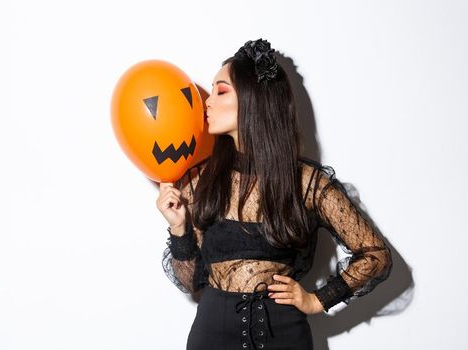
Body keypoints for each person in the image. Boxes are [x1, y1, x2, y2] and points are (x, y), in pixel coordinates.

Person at [157, 39, 392, 350]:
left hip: (284, 336)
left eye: (221, 90)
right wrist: (178, 227)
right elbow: (189, 282)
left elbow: (375, 255)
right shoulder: (199, 180)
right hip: (211, 335)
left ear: (254, 99)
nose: (207, 102)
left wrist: (318, 299)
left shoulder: (306, 183)